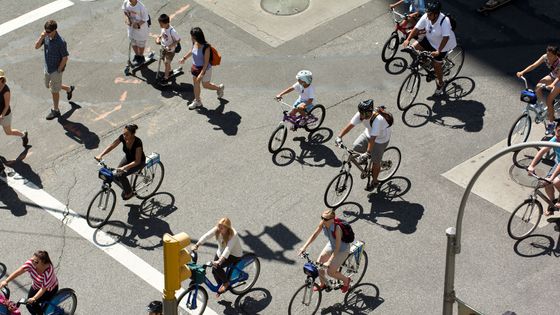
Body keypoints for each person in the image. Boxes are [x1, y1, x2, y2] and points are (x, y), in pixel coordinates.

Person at [335, 99, 393, 190]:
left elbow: (373, 139)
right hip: (368, 133)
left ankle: (374, 181)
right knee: (355, 148)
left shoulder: (378, 120)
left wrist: (368, 153)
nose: (362, 116)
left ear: (370, 112)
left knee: (375, 162)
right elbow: (350, 125)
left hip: (381, 139)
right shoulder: (360, 115)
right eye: (361, 113)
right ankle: (366, 161)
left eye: (365, 114)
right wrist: (339, 137)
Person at [402, 0, 457, 96]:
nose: (427, 16)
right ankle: (425, 61)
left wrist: (438, 51)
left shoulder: (444, 21)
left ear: (436, 14)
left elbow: (446, 37)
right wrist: (408, 39)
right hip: (430, 40)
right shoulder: (427, 16)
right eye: (427, 13)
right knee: (413, 48)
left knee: (436, 65)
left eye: (430, 14)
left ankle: (440, 83)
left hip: (443, 45)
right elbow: (416, 28)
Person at [298, 209, 352, 293]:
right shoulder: (323, 223)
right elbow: (314, 235)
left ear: (332, 219)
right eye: (322, 217)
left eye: (325, 219)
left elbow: (337, 248)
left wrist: (329, 261)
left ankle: (346, 280)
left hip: (342, 249)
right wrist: (304, 247)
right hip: (331, 245)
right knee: (319, 263)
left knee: (330, 272)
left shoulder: (337, 229)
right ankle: (322, 284)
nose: (323, 220)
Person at [34, 20, 75, 120]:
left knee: (54, 90)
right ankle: (69, 89)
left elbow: (65, 57)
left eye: (48, 31)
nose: (46, 33)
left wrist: (59, 70)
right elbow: (36, 47)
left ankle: (56, 110)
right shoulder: (46, 37)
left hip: (55, 70)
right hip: (47, 68)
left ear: (54, 30)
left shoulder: (61, 42)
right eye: (45, 31)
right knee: (49, 85)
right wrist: (42, 37)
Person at [516, 45, 560, 135]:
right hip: (553, 75)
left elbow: (558, 77)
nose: (548, 57)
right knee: (538, 86)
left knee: (549, 100)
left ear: (555, 55)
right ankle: (539, 106)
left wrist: (552, 85)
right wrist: (522, 72)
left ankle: (551, 124)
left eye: (550, 55)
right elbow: (534, 65)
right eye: (547, 54)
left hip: (558, 79)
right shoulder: (545, 57)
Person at [192, 217, 242, 296]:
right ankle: (221, 285)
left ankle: (226, 283)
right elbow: (207, 235)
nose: (219, 229)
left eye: (222, 228)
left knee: (217, 267)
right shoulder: (218, 229)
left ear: (227, 228)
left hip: (233, 254)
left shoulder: (233, 235)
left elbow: (228, 250)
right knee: (214, 270)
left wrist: (219, 261)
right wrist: (197, 244)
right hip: (221, 251)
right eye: (219, 226)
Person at [95, 124, 146, 200]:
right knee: (116, 173)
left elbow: (137, 161)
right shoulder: (123, 137)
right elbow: (112, 146)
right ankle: (127, 186)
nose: (124, 136)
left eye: (127, 135)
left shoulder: (138, 142)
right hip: (128, 158)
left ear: (133, 134)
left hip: (138, 162)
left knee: (121, 175)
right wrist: (101, 155)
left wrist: (125, 167)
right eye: (123, 134)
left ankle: (129, 193)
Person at [0, 251, 59, 315]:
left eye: (36, 262)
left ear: (43, 263)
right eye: (32, 260)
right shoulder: (31, 263)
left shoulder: (48, 271)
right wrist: (6, 281)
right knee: (29, 305)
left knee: (33, 304)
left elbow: (43, 289)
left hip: (49, 290)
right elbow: (18, 272)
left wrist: (34, 298)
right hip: (36, 286)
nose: (32, 262)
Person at [179, 27, 225, 110]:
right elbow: (192, 50)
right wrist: (184, 58)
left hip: (205, 69)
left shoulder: (206, 47)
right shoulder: (194, 42)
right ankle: (197, 101)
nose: (191, 38)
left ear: (197, 37)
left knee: (205, 85)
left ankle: (219, 88)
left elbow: (206, 63)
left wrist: (201, 74)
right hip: (195, 68)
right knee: (196, 84)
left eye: (192, 36)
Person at [527, 122, 560, 216]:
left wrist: (552, 177)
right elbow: (542, 151)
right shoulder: (555, 139)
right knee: (546, 183)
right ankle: (552, 203)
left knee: (556, 181)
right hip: (558, 164)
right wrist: (532, 165)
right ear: (555, 130)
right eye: (559, 131)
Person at [0, 70, 28, 147]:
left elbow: (6, 106)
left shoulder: (6, 91)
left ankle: (23, 135)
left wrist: (2, 116)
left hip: (5, 115)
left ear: (2, 79)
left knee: (8, 132)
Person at [122, 0, 150, 66]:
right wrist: (127, 19)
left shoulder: (141, 7)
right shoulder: (126, 2)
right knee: (133, 42)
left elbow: (145, 18)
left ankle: (141, 56)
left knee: (140, 43)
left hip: (141, 29)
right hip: (131, 27)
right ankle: (137, 55)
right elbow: (125, 11)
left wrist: (138, 25)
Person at [155, 14, 181, 82]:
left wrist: (169, 46)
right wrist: (159, 38)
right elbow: (162, 34)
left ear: (167, 23)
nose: (160, 26)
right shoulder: (163, 28)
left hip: (170, 50)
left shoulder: (172, 31)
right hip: (163, 48)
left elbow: (178, 40)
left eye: (161, 24)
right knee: (165, 62)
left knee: (166, 62)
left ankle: (166, 77)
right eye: (160, 24)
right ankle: (169, 71)